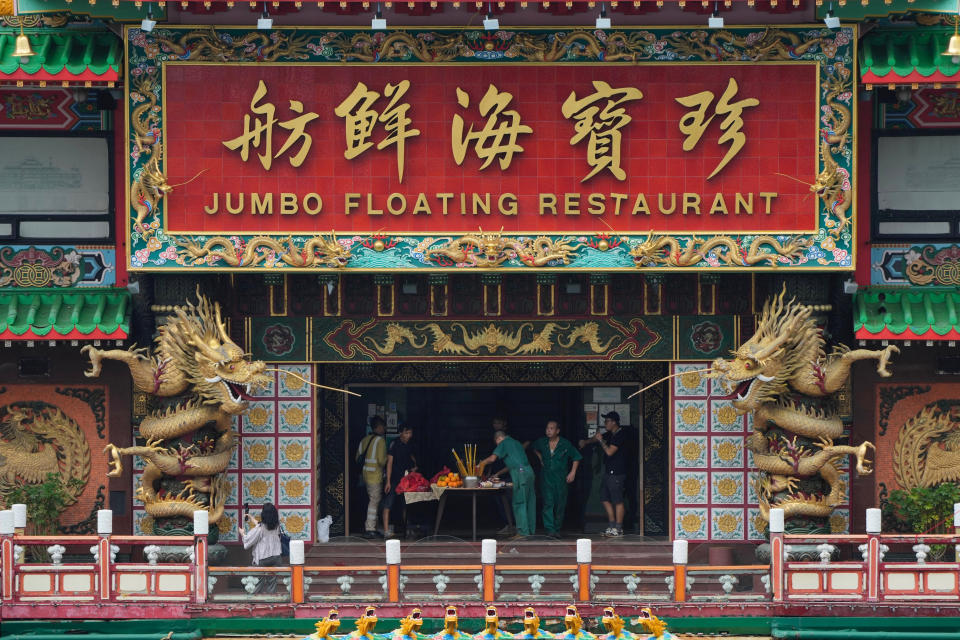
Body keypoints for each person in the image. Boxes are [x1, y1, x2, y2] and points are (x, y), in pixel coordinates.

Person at [480, 430, 536, 539]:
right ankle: (530, 531)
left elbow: (492, 459)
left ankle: (523, 533)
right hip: (529, 472)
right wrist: (497, 474)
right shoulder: (516, 443)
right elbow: (512, 464)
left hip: (520, 474)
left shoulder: (504, 443)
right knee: (529, 501)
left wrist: (481, 464)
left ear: (498, 439)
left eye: (497, 443)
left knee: (519, 503)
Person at [532, 420, 582, 538]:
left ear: (557, 431)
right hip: (546, 477)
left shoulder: (565, 444)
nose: (548, 431)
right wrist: (540, 458)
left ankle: (557, 528)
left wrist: (573, 472)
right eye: (547, 428)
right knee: (548, 503)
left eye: (551, 428)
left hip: (561, 479)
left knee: (560, 503)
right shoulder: (542, 442)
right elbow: (534, 448)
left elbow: (576, 457)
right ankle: (550, 529)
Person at [580, 411, 627, 537]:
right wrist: (586, 442)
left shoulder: (620, 435)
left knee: (617, 500)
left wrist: (601, 441)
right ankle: (612, 526)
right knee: (604, 498)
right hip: (608, 472)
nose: (605, 423)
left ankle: (618, 528)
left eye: (607, 421)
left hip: (617, 472)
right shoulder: (610, 434)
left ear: (614, 422)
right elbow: (597, 438)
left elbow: (610, 452)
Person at [383, 425, 417, 539]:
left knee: (405, 505)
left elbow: (412, 458)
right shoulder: (394, 444)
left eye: (410, 433)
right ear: (400, 433)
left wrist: (414, 467)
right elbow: (389, 463)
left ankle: (408, 528)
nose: (409, 435)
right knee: (388, 503)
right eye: (407, 433)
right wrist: (387, 481)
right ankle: (386, 531)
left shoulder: (409, 445)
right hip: (393, 479)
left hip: (405, 480)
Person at [241, 502, 282, 593]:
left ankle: (254, 601)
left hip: (263, 559)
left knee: (258, 581)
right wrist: (251, 518)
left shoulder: (260, 528)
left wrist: (242, 533)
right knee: (272, 582)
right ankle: (271, 602)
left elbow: (248, 541)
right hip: (276, 558)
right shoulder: (277, 526)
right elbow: (262, 525)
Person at [357, 416, 387, 538]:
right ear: (379, 427)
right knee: (374, 501)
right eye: (383, 426)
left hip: (365, 475)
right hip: (375, 475)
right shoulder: (380, 441)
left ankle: (373, 526)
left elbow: (357, 457)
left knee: (371, 500)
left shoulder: (365, 439)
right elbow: (381, 461)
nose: (384, 429)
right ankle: (370, 528)